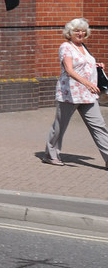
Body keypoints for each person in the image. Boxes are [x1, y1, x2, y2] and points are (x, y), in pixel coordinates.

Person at [43, 18, 108, 168]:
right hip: (69, 93)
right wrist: (87, 83)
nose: (80, 33)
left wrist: (96, 65)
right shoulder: (66, 47)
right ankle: (50, 154)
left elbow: (83, 64)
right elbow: (69, 70)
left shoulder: (83, 47)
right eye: (77, 30)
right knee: (60, 125)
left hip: (87, 95)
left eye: (83, 30)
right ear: (70, 32)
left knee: (99, 126)